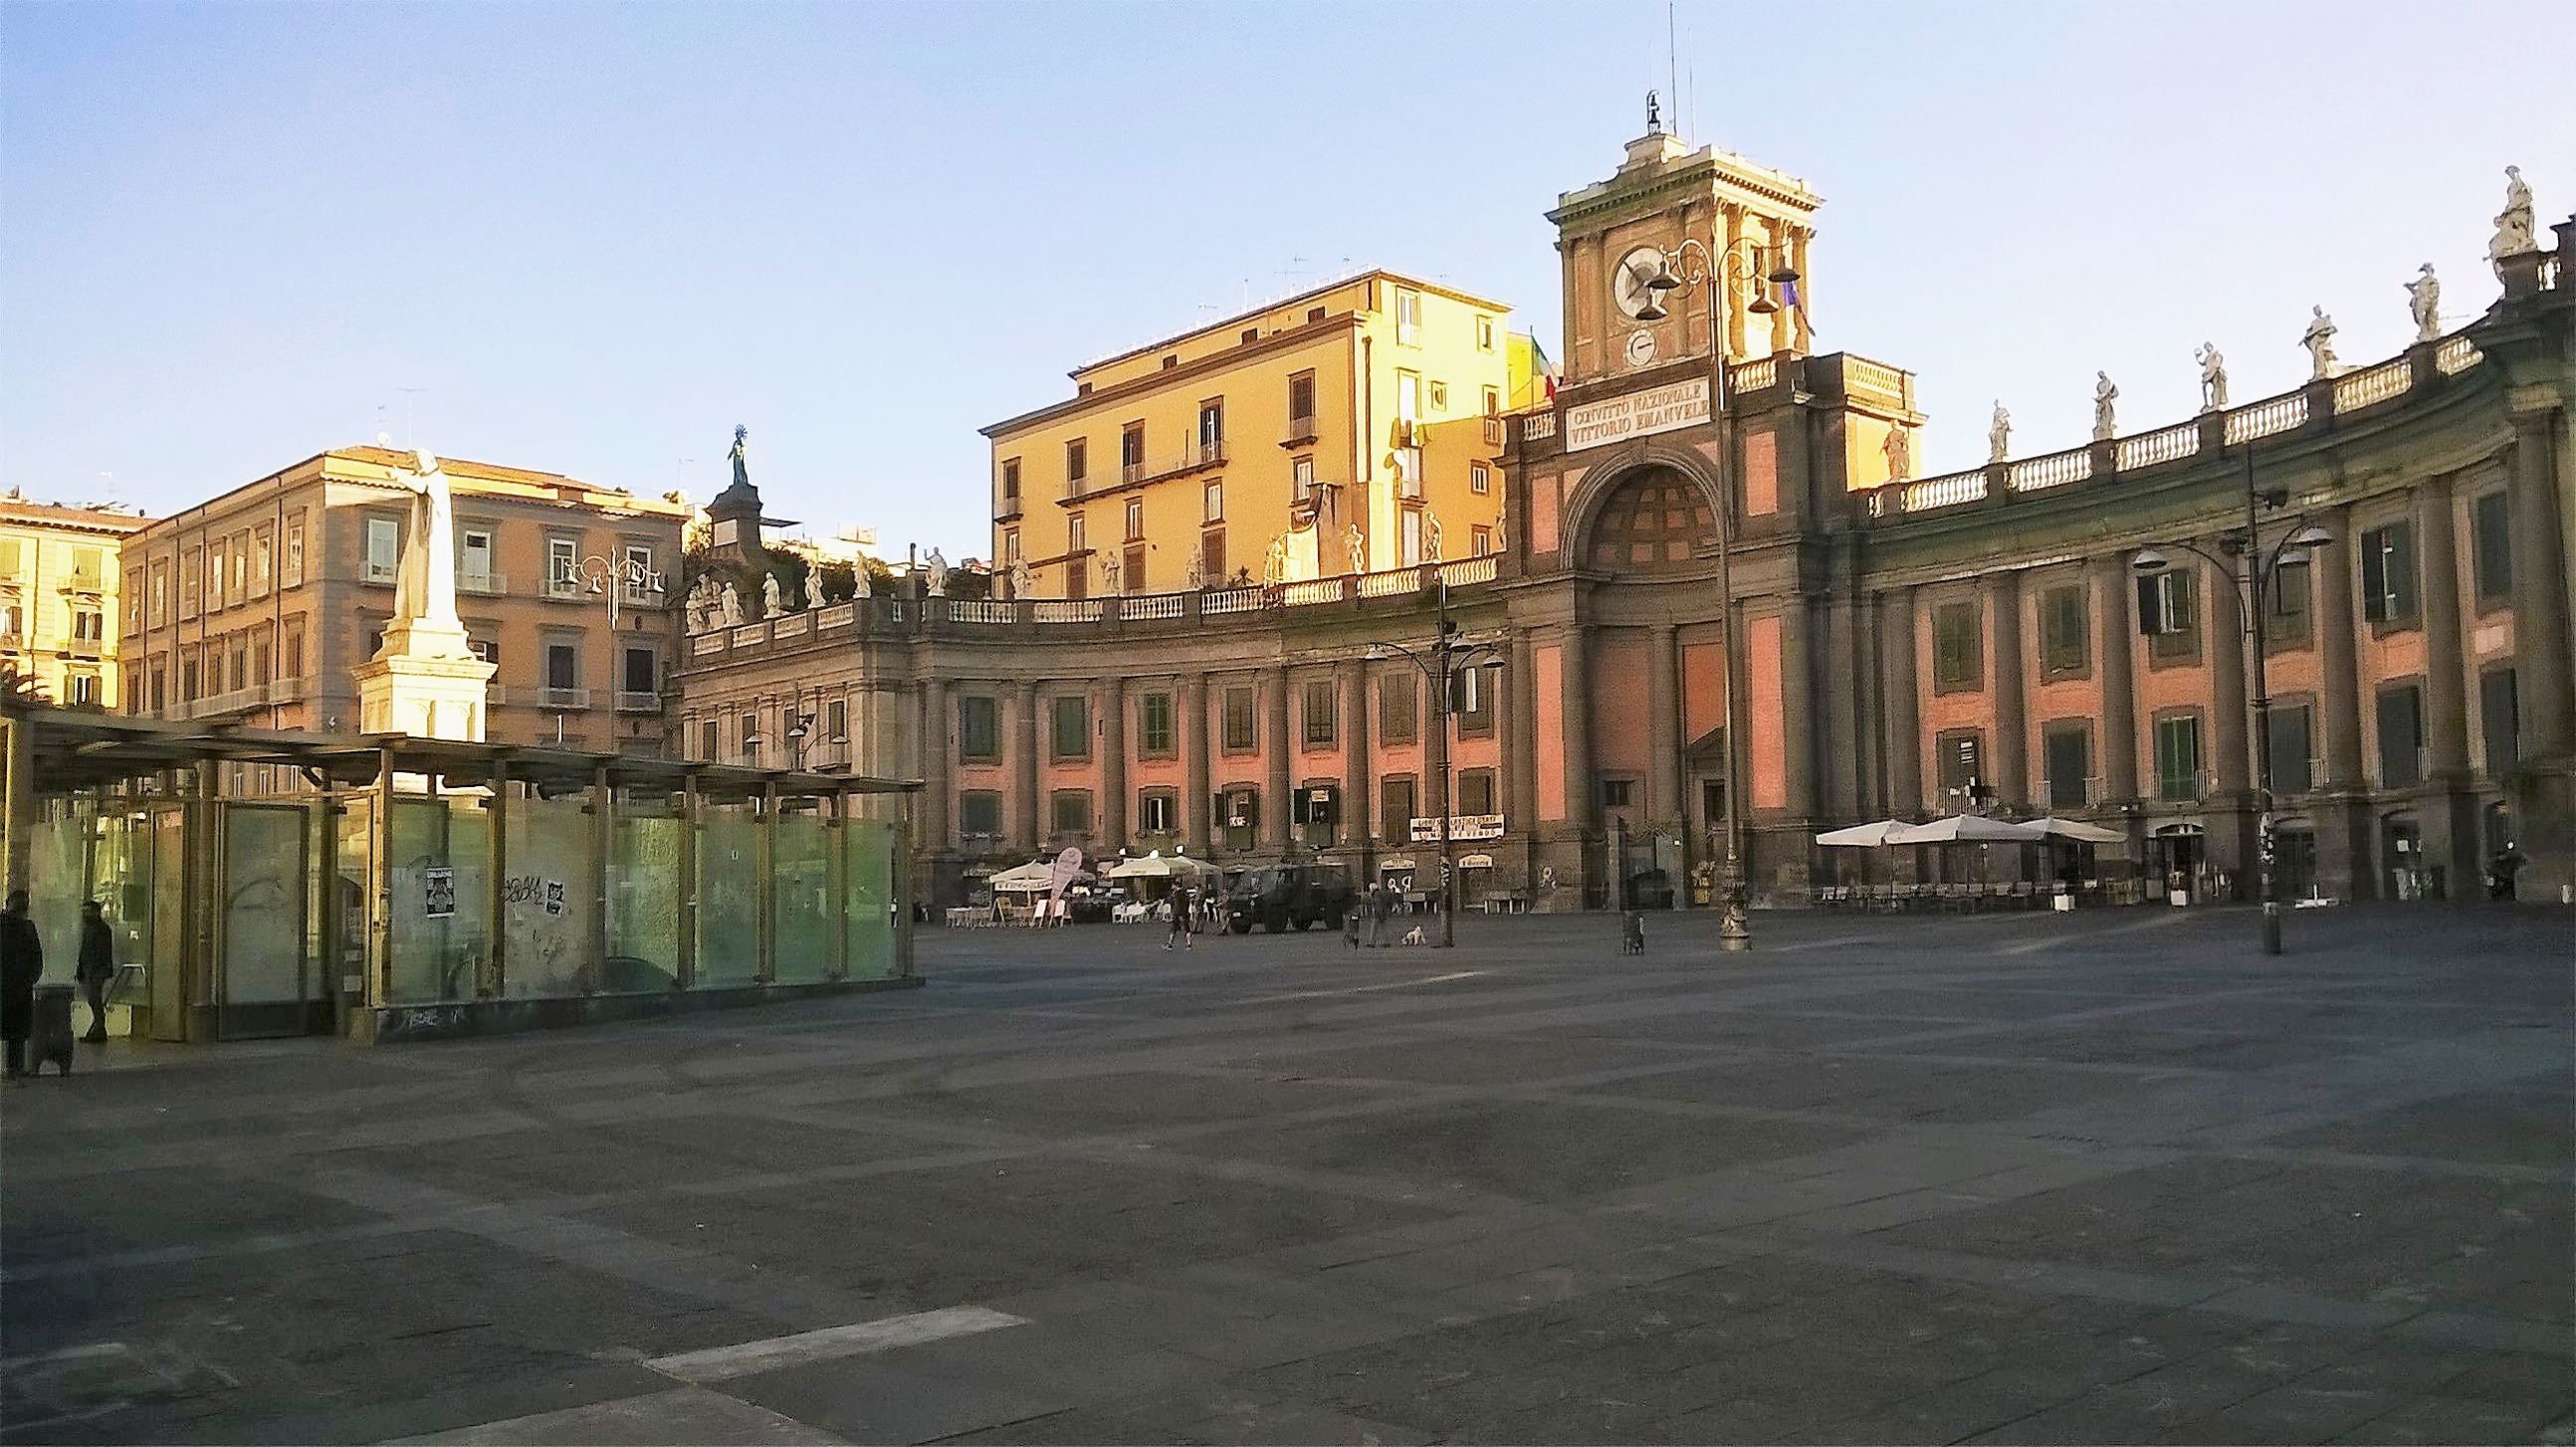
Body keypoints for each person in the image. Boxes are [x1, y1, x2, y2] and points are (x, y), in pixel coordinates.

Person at [1, 890, 41, 1080]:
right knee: (15, 1028)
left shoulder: (27, 927)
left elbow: (36, 955)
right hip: (9, 984)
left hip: (19, 985)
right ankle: (14, 1067)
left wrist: (31, 976)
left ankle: (14, 1066)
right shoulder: (7, 925)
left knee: (17, 1030)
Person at [78, 901, 114, 1043]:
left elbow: (104, 952)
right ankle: (98, 1028)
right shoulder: (88, 929)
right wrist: (80, 968)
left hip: (97, 969)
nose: (85, 914)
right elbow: (84, 950)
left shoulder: (103, 929)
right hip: (89, 969)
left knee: (95, 999)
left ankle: (98, 1029)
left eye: (88, 910)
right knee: (93, 999)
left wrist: (101, 970)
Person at [1166, 885, 1193, 951]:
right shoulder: (1186, 894)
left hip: (1178, 914)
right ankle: (1189, 944)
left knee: (1173, 928)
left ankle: (1170, 944)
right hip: (1185, 913)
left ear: (1176, 886)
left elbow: (1177, 905)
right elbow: (1187, 904)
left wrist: (1178, 914)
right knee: (1187, 929)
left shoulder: (1177, 894)